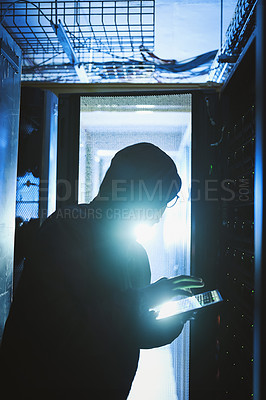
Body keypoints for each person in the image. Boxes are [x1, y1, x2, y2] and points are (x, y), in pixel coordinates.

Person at [0, 142, 204, 399]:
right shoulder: (65, 230)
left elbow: (129, 332)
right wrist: (143, 297)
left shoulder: (136, 255)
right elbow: (63, 331)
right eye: (158, 202)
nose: (159, 215)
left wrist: (175, 320)